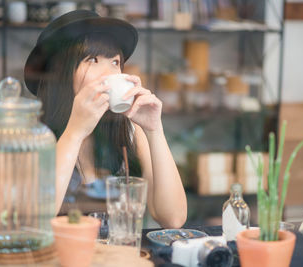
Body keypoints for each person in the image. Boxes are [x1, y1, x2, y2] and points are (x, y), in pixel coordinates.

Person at [24, 10, 187, 228]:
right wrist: (75, 131)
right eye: (92, 59)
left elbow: (173, 218)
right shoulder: (32, 136)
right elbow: (35, 222)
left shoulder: (127, 129)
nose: (109, 73)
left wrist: (154, 130)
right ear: (60, 73)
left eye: (115, 62)